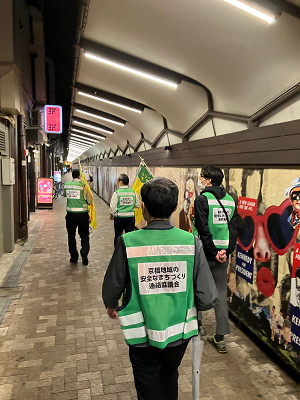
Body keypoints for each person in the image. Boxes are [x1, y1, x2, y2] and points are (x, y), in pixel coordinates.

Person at [102, 177, 218, 400]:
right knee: (169, 376)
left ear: (143, 207)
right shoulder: (191, 242)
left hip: (141, 338)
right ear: (175, 207)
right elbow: (207, 296)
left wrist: (111, 304)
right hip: (179, 336)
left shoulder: (128, 242)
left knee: (147, 384)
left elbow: (111, 289)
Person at [193, 164, 239, 353]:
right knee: (220, 293)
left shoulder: (202, 199)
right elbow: (234, 228)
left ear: (209, 180)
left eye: (202, 176)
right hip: (222, 255)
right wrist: (225, 251)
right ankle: (220, 338)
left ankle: (198, 325)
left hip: (204, 252)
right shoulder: (230, 200)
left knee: (196, 289)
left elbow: (203, 228)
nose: (200, 179)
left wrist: (212, 251)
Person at [64, 169, 93, 266]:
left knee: (71, 236)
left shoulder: (67, 185)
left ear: (72, 176)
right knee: (84, 235)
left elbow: (64, 195)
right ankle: (84, 252)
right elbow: (89, 200)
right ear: (79, 176)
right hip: (83, 215)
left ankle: (74, 257)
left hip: (70, 214)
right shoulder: (84, 186)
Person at [110, 173, 140, 246]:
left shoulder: (116, 193)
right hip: (130, 218)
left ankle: (117, 252)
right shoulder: (133, 192)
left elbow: (113, 207)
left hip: (119, 218)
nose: (117, 182)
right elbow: (137, 205)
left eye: (118, 180)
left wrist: (112, 214)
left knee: (118, 236)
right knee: (129, 237)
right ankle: (129, 252)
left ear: (121, 182)